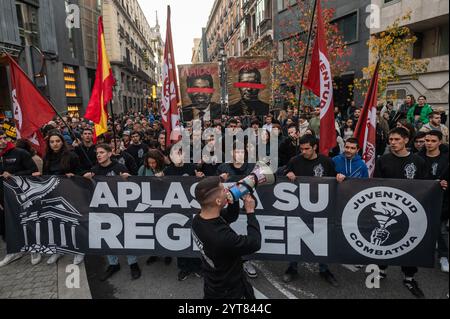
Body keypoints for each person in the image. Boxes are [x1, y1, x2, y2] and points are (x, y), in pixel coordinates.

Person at [374, 127, 427, 298]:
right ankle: (381, 270)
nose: (393, 143)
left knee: (408, 242)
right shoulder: (383, 160)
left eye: (397, 139)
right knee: (384, 240)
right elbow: (376, 185)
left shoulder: (418, 161)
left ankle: (409, 277)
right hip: (387, 211)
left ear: (406, 140)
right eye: (390, 140)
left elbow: (426, 186)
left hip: (410, 212)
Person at [283, 135, 339, 287]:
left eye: (307, 148)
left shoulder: (326, 161)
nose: (303, 151)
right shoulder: (294, 161)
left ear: (315, 147)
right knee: (295, 236)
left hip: (321, 208)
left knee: (322, 238)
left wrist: (339, 177)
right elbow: (282, 175)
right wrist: (287, 174)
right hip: (299, 207)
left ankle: (324, 269)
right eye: (301, 149)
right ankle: (292, 267)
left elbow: (335, 179)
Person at [192, 177, 260, 299]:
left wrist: (233, 199)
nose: (228, 189)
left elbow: (230, 216)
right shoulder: (221, 238)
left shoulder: (198, 219)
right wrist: (250, 211)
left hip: (213, 283)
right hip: (229, 291)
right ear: (218, 201)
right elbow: (255, 243)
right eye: (223, 190)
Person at [83, 144, 142, 281]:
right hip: (103, 209)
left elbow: (131, 189)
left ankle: (133, 263)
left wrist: (128, 179)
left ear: (110, 154)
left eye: (102, 152)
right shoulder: (94, 170)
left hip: (121, 208)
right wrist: (85, 179)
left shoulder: (119, 168)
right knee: (107, 235)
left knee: (125, 235)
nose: (98, 155)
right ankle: (113, 263)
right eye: (97, 153)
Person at [36, 132, 83, 265]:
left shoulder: (72, 155)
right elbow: (46, 176)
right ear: (49, 144)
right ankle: (58, 250)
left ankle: (78, 250)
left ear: (62, 142)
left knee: (73, 222)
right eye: (52, 142)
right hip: (53, 195)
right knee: (56, 223)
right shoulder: (46, 157)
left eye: (57, 141)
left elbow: (80, 171)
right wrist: (40, 176)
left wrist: (73, 175)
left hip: (70, 193)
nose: (55, 144)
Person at [160, 147, 204, 281]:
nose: (178, 156)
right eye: (174, 154)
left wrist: (199, 178)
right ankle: (184, 268)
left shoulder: (191, 168)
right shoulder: (167, 171)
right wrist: (158, 179)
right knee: (181, 238)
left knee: (195, 238)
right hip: (176, 210)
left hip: (193, 208)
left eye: (180, 153)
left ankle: (197, 267)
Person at [217, 142, 258, 279]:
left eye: (242, 151)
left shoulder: (252, 167)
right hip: (230, 210)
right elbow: (214, 185)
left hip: (247, 206)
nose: (239, 154)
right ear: (231, 153)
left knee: (246, 234)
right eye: (237, 151)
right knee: (231, 235)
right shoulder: (223, 167)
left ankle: (246, 261)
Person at [0, 131, 39, 267]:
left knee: (28, 220)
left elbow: (34, 172)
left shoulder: (20, 153)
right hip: (3, 198)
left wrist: (13, 175)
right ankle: (14, 250)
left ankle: (35, 249)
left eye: (4, 137)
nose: (3, 141)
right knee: (7, 226)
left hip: (22, 195)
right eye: (0, 139)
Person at [418, 131, 449, 273]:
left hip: (443, 199)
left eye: (433, 141)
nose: (429, 143)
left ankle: (443, 256)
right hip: (423, 198)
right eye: (427, 140)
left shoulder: (446, 159)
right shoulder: (418, 158)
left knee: (441, 229)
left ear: (439, 142)